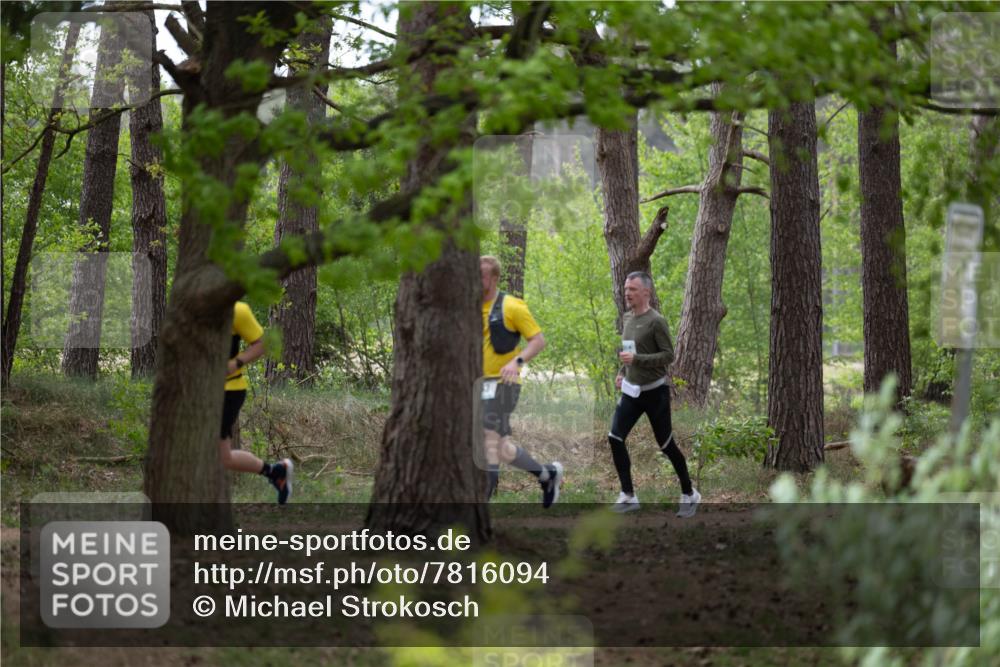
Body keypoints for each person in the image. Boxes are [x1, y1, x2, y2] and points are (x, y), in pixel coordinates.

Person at [608, 272, 700, 517]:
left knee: (666, 444)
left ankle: (690, 493)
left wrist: (637, 360)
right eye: (626, 288)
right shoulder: (627, 318)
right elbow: (629, 352)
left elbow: (669, 356)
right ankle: (628, 495)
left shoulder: (656, 321)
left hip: (655, 393)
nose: (627, 293)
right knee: (615, 437)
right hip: (631, 392)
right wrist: (622, 372)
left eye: (633, 289)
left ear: (646, 292)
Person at [480, 255, 563, 507]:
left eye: (481, 275)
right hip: (477, 385)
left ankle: (481, 502)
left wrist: (516, 362)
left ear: (494, 279)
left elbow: (538, 341)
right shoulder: (467, 306)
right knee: (503, 447)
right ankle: (547, 475)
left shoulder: (511, 306)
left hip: (504, 385)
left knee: (487, 437)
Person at [221, 301, 293, 504]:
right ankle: (276, 472)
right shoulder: (188, 308)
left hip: (229, 391)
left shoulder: (237, 310)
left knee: (204, 450)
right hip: (197, 392)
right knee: (223, 457)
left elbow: (262, 343)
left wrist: (236, 363)